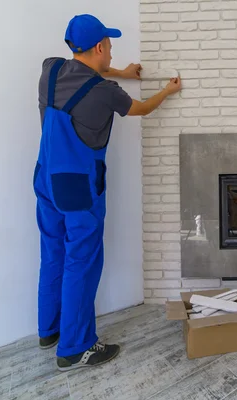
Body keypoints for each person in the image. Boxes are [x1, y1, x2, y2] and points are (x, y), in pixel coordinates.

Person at [33, 14, 182, 372]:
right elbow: (141, 108)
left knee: (53, 253)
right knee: (81, 262)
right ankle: (76, 347)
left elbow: (85, 74)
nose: (112, 53)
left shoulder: (50, 70)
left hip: (45, 178)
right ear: (99, 47)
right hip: (79, 189)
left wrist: (122, 73)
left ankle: (49, 330)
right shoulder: (105, 92)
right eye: (110, 47)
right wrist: (167, 90)